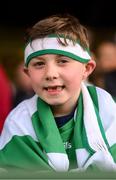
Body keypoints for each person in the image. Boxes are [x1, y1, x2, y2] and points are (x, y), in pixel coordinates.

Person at [0, 14, 116, 175]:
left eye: (62, 61)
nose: (50, 74)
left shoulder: (108, 111)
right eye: (39, 64)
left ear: (87, 69)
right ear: (28, 73)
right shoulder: (18, 124)